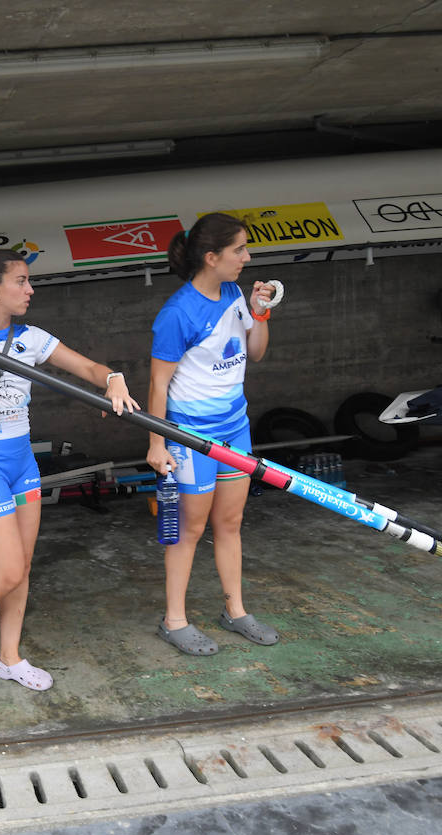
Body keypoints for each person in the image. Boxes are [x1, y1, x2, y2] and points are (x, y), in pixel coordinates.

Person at [0, 241, 138, 691]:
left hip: (23, 462)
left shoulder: (32, 338)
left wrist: (114, 379)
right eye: (21, 282)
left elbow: (88, 368)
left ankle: (9, 657)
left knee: (21, 568)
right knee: (5, 570)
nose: (30, 291)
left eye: (29, 282)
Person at [144, 212, 281, 656]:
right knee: (191, 527)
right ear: (211, 257)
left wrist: (259, 313)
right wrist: (157, 443)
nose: (246, 257)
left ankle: (235, 611)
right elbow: (158, 383)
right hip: (190, 437)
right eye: (238, 249)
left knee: (230, 523)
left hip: (234, 428)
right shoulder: (177, 313)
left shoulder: (234, 294)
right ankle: (174, 620)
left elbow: (256, 353)